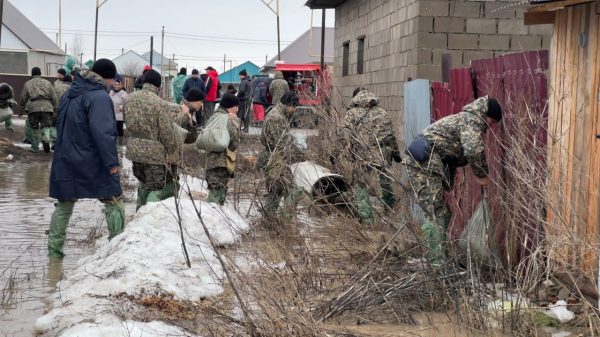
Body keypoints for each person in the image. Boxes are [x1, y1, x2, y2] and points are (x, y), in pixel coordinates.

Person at [405, 96, 502, 261]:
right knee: (437, 213)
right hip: (423, 164)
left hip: (426, 163)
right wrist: (482, 175)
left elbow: (451, 152)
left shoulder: (466, 119)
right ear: (486, 114)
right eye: (492, 122)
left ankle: (437, 255)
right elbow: (472, 150)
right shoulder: (471, 120)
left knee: (441, 212)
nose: (490, 127)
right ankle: (436, 262)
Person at [48, 59, 125, 259]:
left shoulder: (68, 94)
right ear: (108, 77)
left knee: (64, 203)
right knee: (114, 199)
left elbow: (60, 126)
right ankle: (117, 250)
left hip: (64, 158)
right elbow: (104, 133)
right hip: (91, 160)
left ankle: (54, 256)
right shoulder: (99, 96)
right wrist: (112, 163)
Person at [338, 88, 402, 225]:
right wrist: (396, 154)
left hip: (363, 156)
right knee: (385, 182)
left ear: (355, 98)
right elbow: (391, 136)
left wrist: (336, 152)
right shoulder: (383, 113)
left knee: (361, 185)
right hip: (383, 154)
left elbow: (343, 136)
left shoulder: (352, 114)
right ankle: (389, 210)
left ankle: (366, 218)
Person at [124, 69, 183, 211]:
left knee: (144, 183)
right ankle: (146, 217)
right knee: (157, 186)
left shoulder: (129, 99)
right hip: (153, 153)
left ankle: (138, 215)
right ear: (158, 86)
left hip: (134, 150)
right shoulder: (159, 103)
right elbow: (166, 132)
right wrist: (172, 150)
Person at [258, 92, 304, 216]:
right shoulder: (277, 118)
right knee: (292, 191)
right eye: (294, 107)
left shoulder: (278, 114)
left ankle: (268, 217)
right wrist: (298, 152)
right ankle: (287, 221)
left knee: (276, 190)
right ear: (289, 104)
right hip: (276, 159)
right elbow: (281, 142)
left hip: (274, 157)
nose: (294, 110)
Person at [203, 93, 240, 205]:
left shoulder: (213, 117)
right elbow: (233, 142)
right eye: (236, 107)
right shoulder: (228, 119)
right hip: (221, 163)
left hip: (210, 162)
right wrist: (237, 122)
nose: (237, 110)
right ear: (232, 107)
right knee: (215, 199)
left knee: (214, 192)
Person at [20, 67, 57, 153]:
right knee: (46, 126)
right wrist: (55, 108)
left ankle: (35, 148)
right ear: (40, 73)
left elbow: (23, 98)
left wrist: (21, 109)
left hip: (33, 107)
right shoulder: (47, 83)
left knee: (34, 128)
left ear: (32, 74)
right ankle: (46, 139)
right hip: (47, 107)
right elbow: (54, 97)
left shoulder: (28, 83)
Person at [52, 74, 72, 148]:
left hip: (57, 109)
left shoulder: (56, 87)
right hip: (68, 109)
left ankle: (55, 141)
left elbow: (52, 98)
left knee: (55, 126)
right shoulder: (72, 88)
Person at [109, 76, 128, 144]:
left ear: (120, 85)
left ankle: (120, 143)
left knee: (119, 130)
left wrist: (121, 107)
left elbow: (127, 104)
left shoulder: (123, 93)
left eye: (118, 84)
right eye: (115, 84)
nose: (116, 86)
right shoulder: (111, 92)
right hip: (112, 114)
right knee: (112, 129)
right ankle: (112, 142)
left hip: (119, 116)